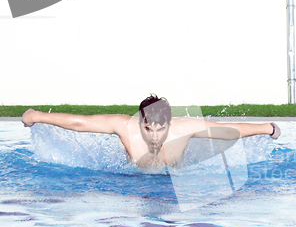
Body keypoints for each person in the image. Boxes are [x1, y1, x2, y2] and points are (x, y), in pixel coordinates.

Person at [21, 95, 281, 167]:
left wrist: (267, 128)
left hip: (173, 184)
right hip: (134, 182)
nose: (154, 135)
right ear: (139, 122)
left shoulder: (184, 127)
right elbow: (81, 122)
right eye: (148, 128)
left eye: (161, 129)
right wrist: (37, 116)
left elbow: (228, 130)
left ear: (170, 123)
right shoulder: (124, 126)